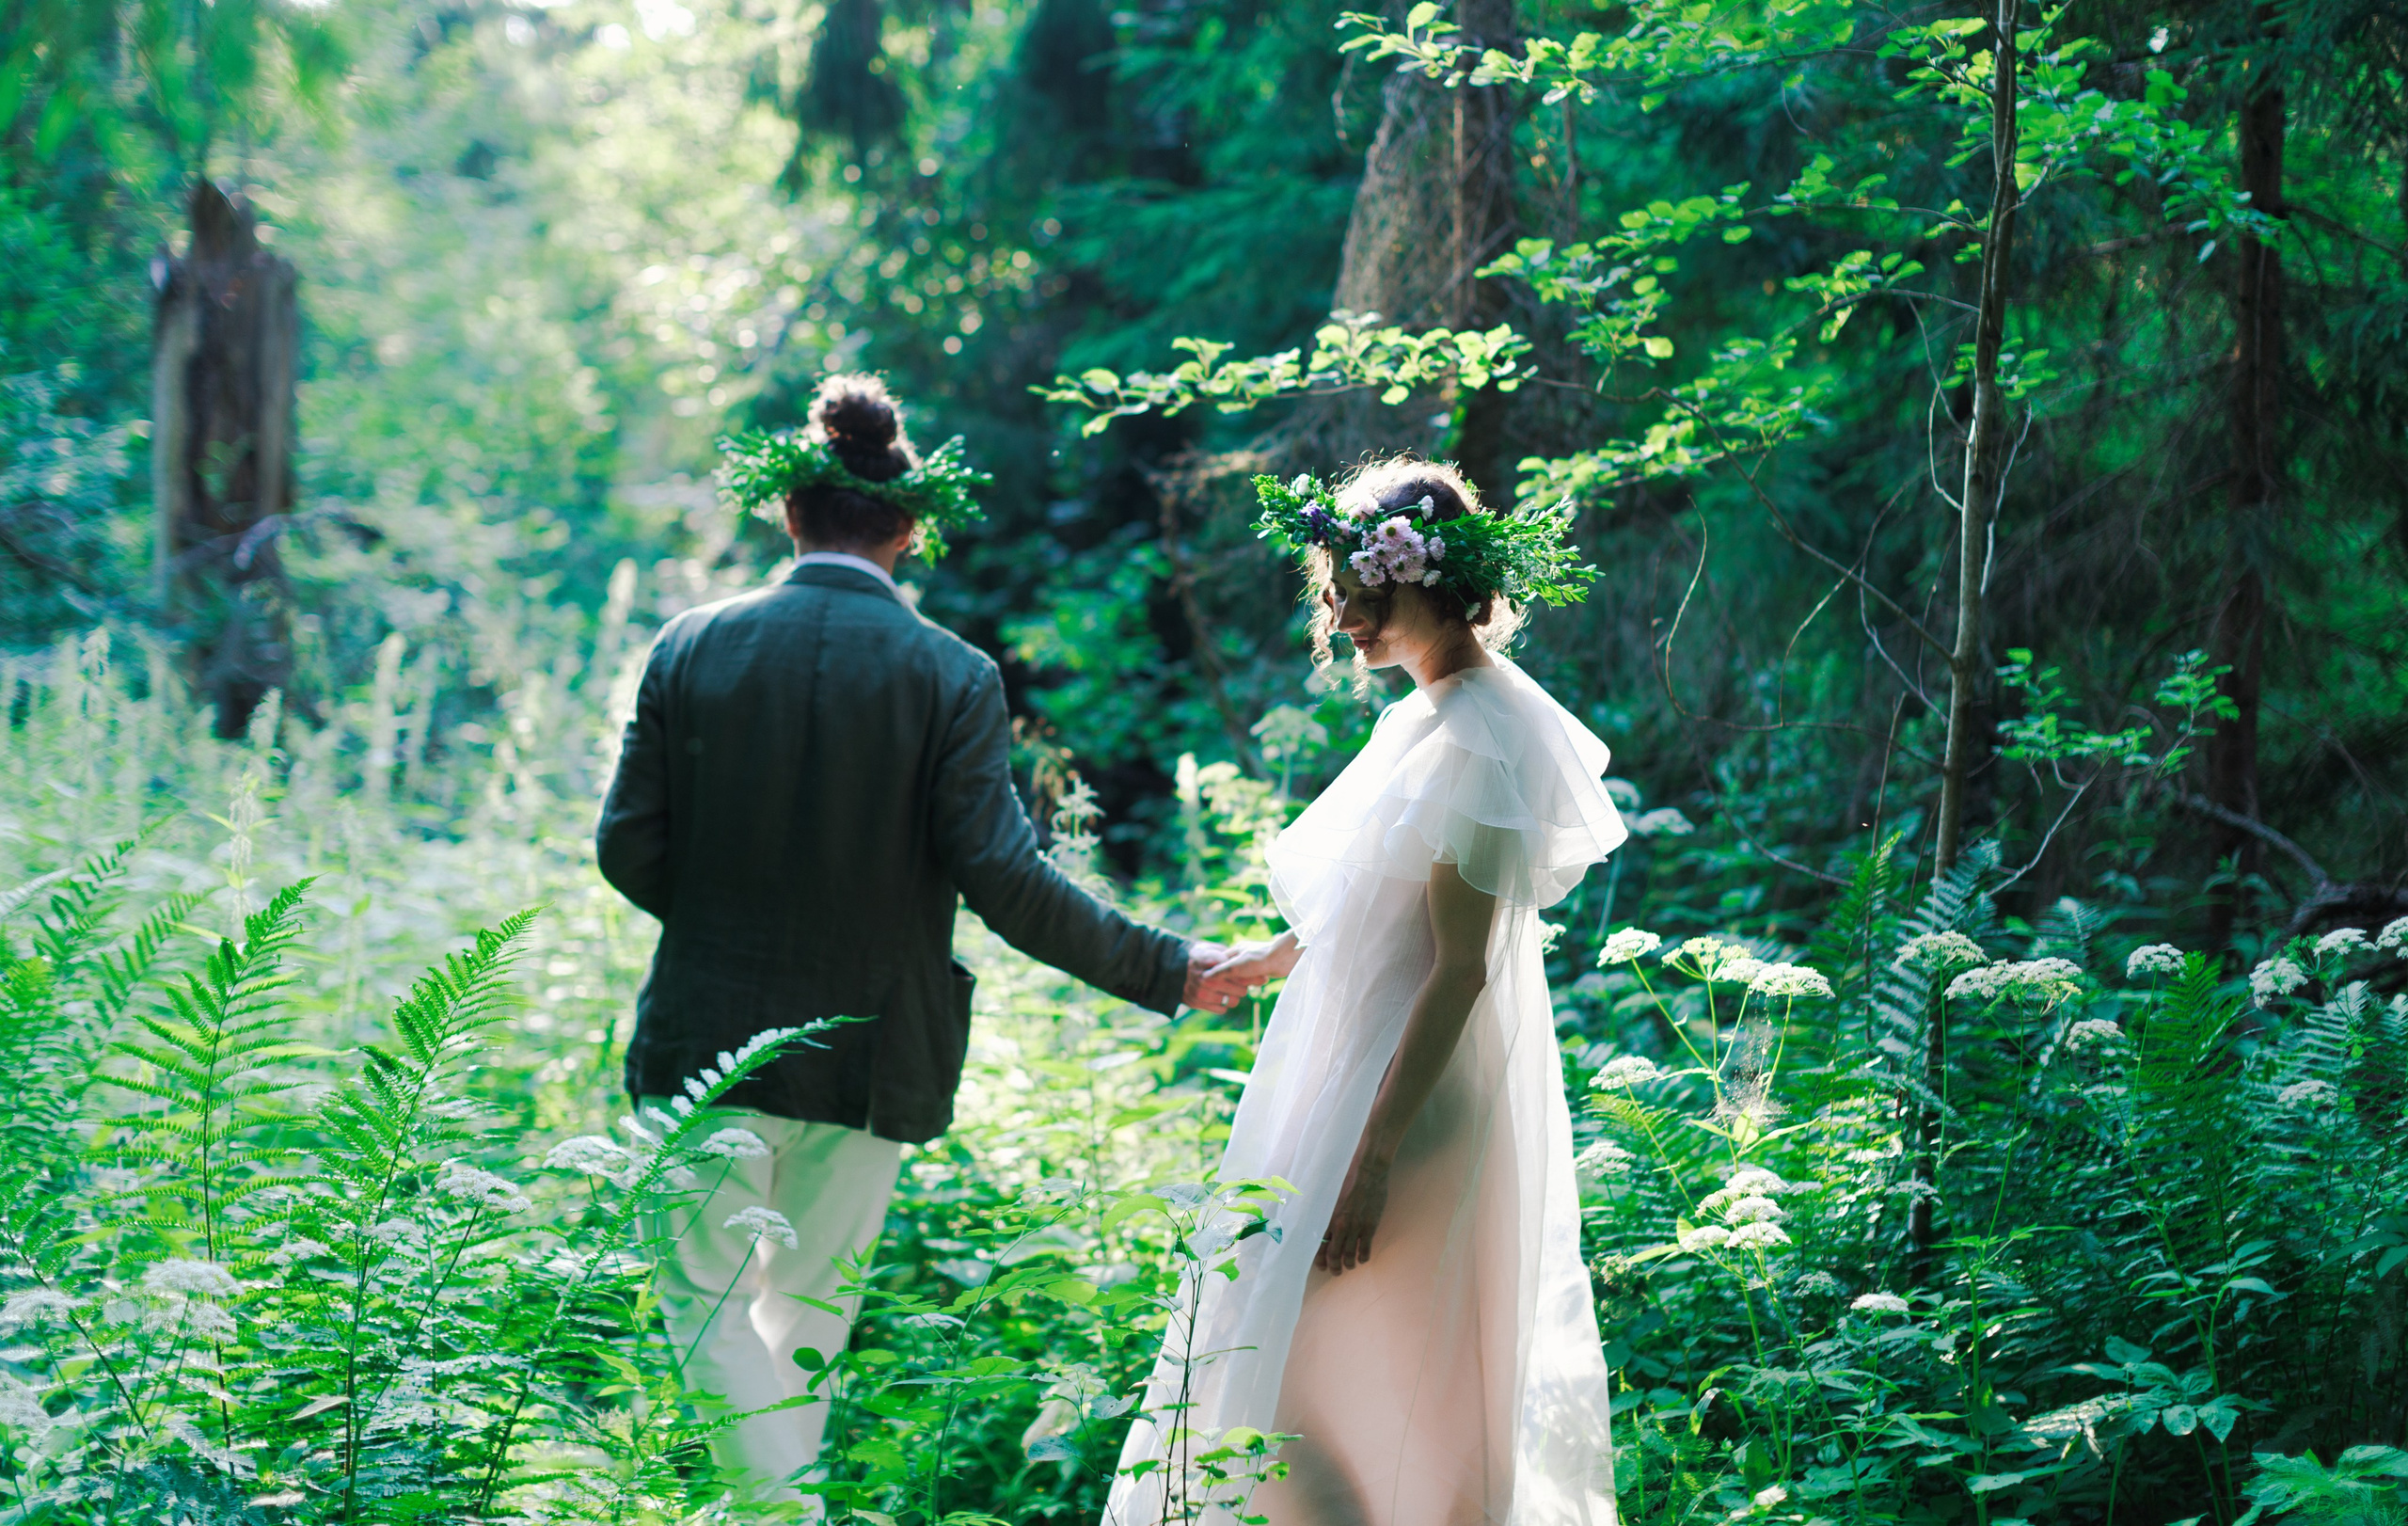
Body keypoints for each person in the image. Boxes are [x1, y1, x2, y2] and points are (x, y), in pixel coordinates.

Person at [594, 373, 1250, 1503]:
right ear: (909, 528)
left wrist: (729, 916)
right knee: (804, 1329)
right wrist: (1167, 964)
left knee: (709, 1313)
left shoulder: (689, 646)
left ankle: (775, 1508)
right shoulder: (952, 675)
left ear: (790, 512)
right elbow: (1003, 875)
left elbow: (627, 848)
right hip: (868, 1052)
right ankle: (787, 1507)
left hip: (703, 1035)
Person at [1109, 458, 1628, 1526]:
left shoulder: (1479, 732)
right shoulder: (1435, 713)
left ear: (1431, 580)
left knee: (1284, 1366)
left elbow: (1459, 963)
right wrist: (1265, 957)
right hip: (1361, 1075)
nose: (1339, 611)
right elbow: (1382, 906)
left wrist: (1374, 1152)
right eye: (1334, 587)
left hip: (1406, 1096)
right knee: (1310, 1368)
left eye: (1360, 587)